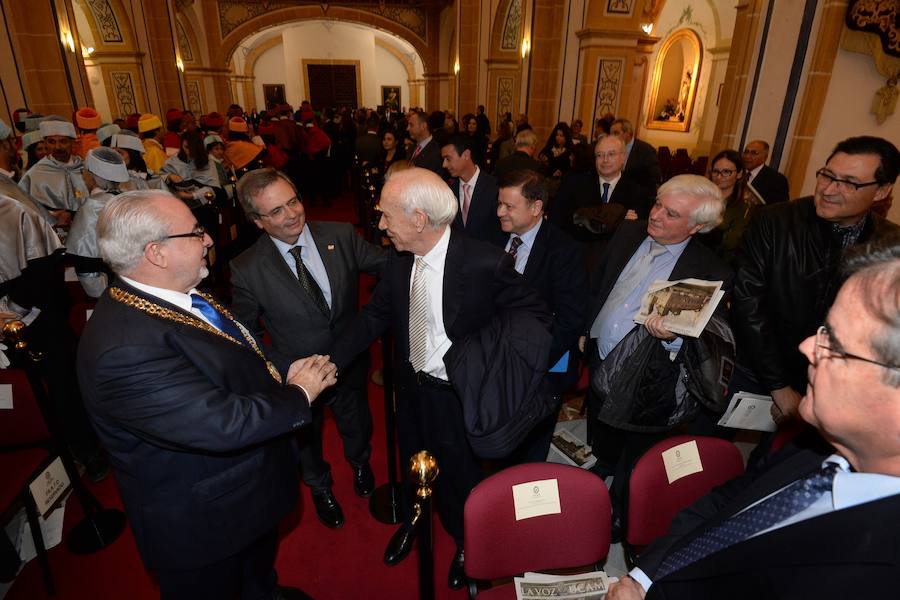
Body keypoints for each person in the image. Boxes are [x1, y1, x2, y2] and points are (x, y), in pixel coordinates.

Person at [78, 189, 337, 600]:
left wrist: (281, 366)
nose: (210, 240)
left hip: (242, 499)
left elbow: (240, 345)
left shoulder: (173, 292)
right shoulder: (122, 351)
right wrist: (299, 393)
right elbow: (221, 423)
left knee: (256, 574)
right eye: (196, 232)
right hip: (205, 526)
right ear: (156, 253)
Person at [607, 238, 900, 600]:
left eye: (835, 344)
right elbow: (721, 508)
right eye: (823, 330)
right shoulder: (812, 447)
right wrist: (643, 577)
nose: (807, 347)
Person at [332, 167, 550, 590]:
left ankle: (467, 544)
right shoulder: (398, 260)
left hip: (457, 397)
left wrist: (493, 361)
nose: (380, 225)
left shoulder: (484, 262)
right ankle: (418, 520)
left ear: (417, 219)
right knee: (415, 464)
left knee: (459, 479)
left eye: (386, 215)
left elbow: (535, 314)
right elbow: (376, 315)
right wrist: (330, 360)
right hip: (410, 389)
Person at [230, 168, 388, 530]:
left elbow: (387, 265)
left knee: (357, 421)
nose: (292, 214)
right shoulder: (247, 269)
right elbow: (246, 334)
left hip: (350, 362)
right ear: (257, 221)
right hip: (299, 378)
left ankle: (361, 463)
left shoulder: (341, 234)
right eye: (276, 211)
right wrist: (290, 369)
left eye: (293, 201)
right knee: (307, 441)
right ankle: (320, 487)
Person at [583, 174, 732, 535]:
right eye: (658, 204)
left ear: (697, 226)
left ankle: (621, 512)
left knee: (637, 450)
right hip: (601, 352)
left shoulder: (711, 272)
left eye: (672, 214)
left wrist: (672, 338)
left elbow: (709, 343)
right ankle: (603, 461)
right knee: (603, 419)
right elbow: (601, 282)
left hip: (648, 373)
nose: (657, 215)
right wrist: (586, 329)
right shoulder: (628, 233)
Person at [732, 136, 899, 424]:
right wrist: (779, 386)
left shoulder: (891, 246)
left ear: (882, 191)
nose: (829, 190)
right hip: (755, 369)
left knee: (784, 466)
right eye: (827, 175)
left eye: (849, 183)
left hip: (832, 388)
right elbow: (749, 303)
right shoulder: (775, 221)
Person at [497, 169, 588, 461]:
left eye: (509, 206)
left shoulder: (565, 251)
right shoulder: (496, 237)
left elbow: (570, 320)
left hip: (544, 366)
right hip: (497, 361)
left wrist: (528, 362)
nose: (500, 212)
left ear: (536, 208)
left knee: (530, 447)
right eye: (499, 204)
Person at [67, 147, 131, 297]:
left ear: (90, 175)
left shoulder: (92, 208)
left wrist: (101, 296)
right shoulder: (129, 200)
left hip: (113, 289)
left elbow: (86, 263)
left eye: (84, 171)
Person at [18, 117, 90, 228]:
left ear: (72, 142)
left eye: (63, 141)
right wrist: (52, 216)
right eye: (51, 142)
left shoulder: (87, 169)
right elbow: (23, 210)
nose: (57, 147)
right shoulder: (34, 175)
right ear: (45, 143)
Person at [442, 133, 504, 246]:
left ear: (466, 155)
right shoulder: (448, 191)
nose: (444, 164)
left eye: (448, 159)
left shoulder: (494, 187)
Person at [702, 149, 761, 267]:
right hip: (695, 256)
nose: (719, 176)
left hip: (721, 262)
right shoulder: (702, 198)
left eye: (726, 172)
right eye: (715, 171)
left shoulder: (745, 206)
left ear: (739, 174)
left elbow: (730, 242)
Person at [611, 118, 662, 187]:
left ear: (627, 133)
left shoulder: (646, 150)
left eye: (616, 133)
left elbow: (655, 177)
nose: (612, 137)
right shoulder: (611, 149)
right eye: (611, 134)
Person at [741, 139, 790, 204]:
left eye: (754, 153)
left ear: (765, 157)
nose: (747, 156)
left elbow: (779, 209)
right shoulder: (737, 172)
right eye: (746, 152)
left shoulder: (777, 180)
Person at [406, 108, 445, 176]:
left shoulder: (435, 152)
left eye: (411, 125)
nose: (407, 128)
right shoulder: (411, 148)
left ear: (423, 126)